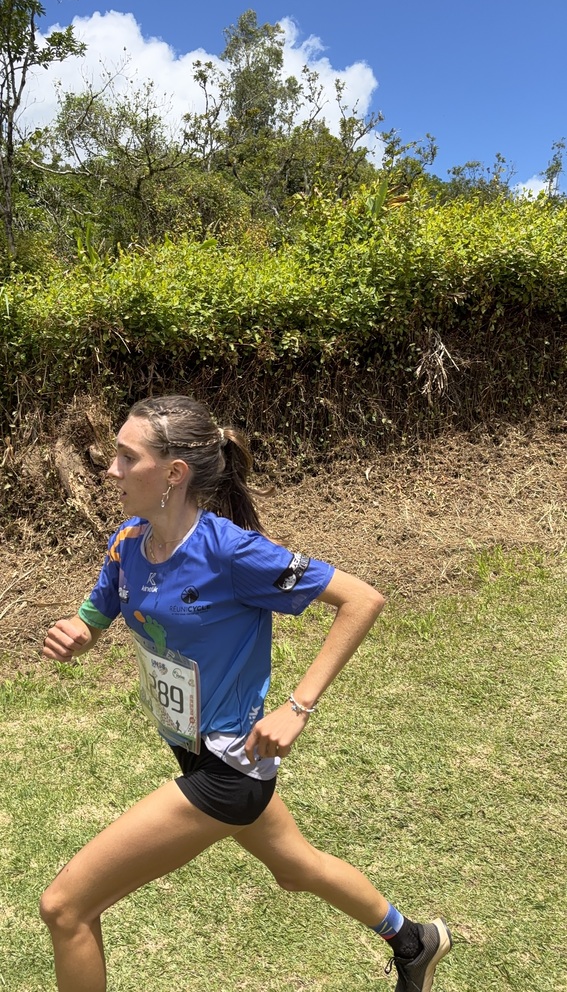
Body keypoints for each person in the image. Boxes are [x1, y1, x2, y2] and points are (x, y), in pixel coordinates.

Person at [40, 394, 452, 992]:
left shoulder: (232, 552)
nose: (111, 470)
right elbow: (97, 613)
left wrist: (298, 707)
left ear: (173, 473)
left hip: (230, 768)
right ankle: (414, 941)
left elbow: (362, 599)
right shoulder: (129, 541)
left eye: (127, 457)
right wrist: (78, 633)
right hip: (195, 750)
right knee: (297, 868)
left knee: (66, 908)